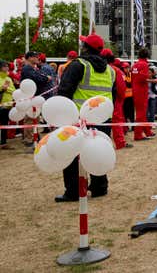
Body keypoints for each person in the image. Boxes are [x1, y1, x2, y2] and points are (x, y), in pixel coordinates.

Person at [56, 34, 116, 202]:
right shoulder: (110, 70)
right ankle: (100, 187)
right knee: (97, 151)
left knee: (72, 154)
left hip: (78, 118)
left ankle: (73, 191)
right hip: (102, 119)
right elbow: (113, 95)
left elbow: (64, 91)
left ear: (85, 47)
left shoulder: (78, 65)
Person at [100, 50, 131, 149]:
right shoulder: (115, 70)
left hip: (99, 100)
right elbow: (122, 88)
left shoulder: (98, 69)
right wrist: (120, 100)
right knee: (116, 121)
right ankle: (120, 142)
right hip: (114, 99)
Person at [131, 48, 156, 141]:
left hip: (135, 90)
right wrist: (155, 80)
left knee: (141, 113)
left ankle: (147, 131)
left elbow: (135, 78)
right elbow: (143, 79)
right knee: (141, 114)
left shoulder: (134, 65)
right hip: (141, 91)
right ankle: (138, 135)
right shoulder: (144, 65)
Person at [0, 60, 16, 149]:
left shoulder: (8, 78)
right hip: (1, 104)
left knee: (4, 124)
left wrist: (6, 89)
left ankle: (3, 143)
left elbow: (13, 90)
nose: (7, 68)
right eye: (5, 66)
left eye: (7, 66)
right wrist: (3, 88)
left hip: (7, 105)